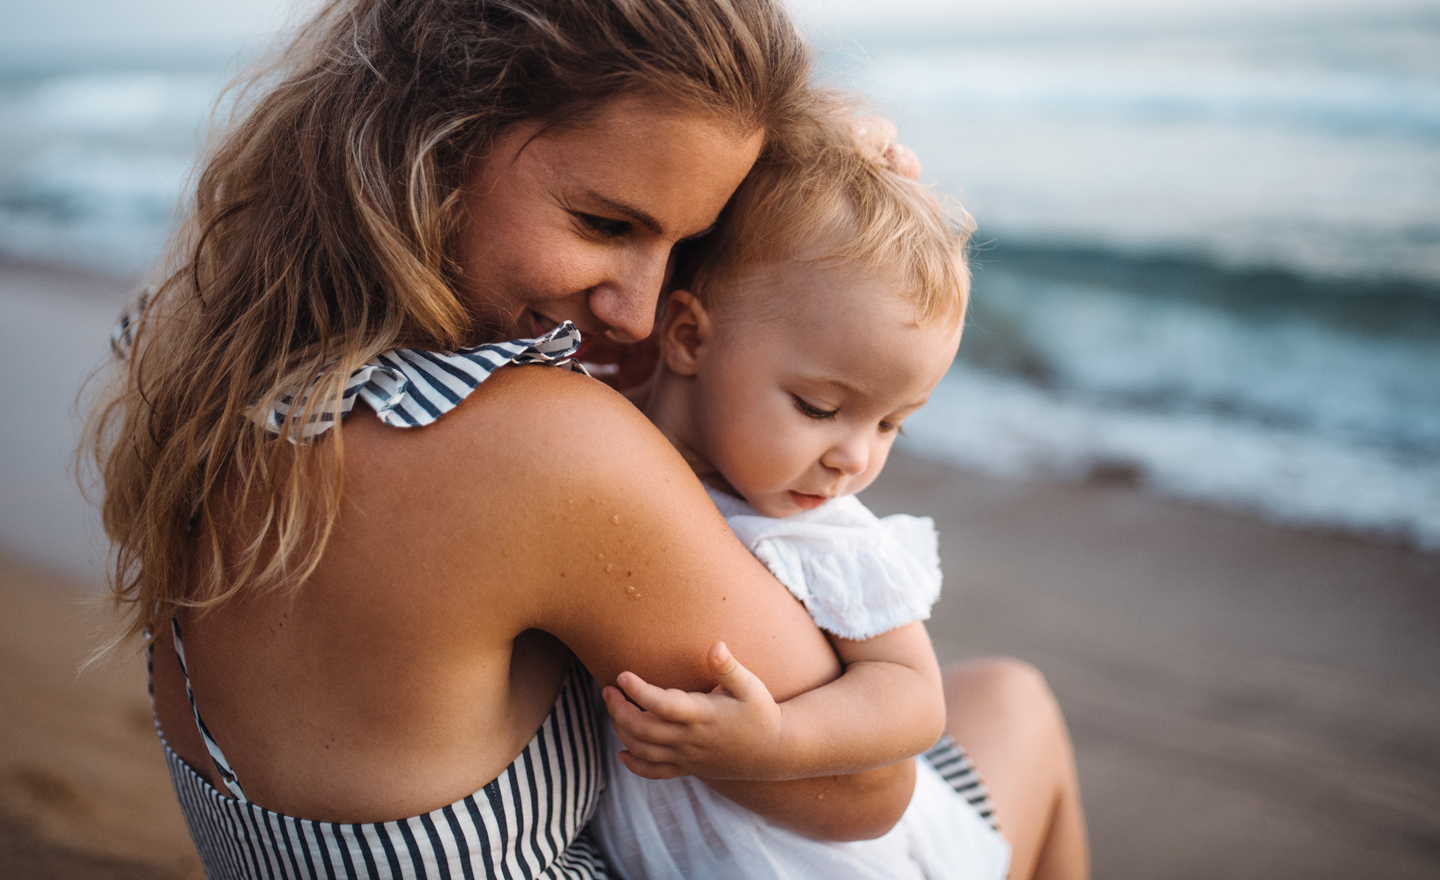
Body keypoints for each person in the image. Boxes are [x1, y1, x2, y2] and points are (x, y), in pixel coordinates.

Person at [86, 0, 1087, 877]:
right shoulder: (535, 446)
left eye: (685, 245)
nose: (642, 314)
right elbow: (868, 792)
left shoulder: (221, 360)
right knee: (1021, 710)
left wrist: (794, 196)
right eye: (606, 224)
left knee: (994, 693)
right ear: (440, 138)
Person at [588, 122, 1016, 879]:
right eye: (819, 407)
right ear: (687, 337)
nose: (856, 458)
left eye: (891, 424)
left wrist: (779, 741)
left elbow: (914, 696)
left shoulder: (827, 539)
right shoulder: (592, 428)